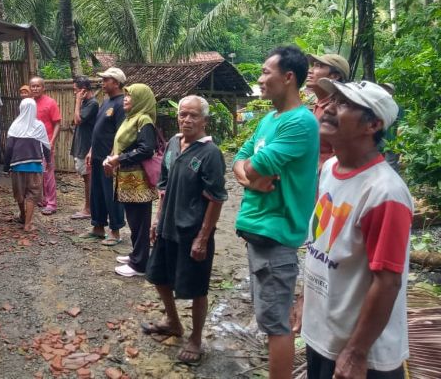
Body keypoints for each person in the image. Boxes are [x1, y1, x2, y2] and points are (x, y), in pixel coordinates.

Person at [294, 80, 411, 379]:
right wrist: (305, 298)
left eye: (344, 103)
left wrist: (357, 352)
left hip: (362, 356)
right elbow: (320, 245)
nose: (329, 108)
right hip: (324, 336)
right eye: (332, 99)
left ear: (372, 124)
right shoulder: (330, 168)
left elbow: (387, 282)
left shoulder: (385, 193)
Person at [233, 45, 319, 379]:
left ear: (288, 77)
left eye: (266, 72)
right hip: (259, 231)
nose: (260, 79)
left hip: (277, 232)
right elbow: (241, 159)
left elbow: (260, 163)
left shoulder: (300, 123)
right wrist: (249, 180)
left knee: (276, 324)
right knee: (269, 319)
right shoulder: (270, 119)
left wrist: (248, 172)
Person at [143, 95, 226, 365]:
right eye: (183, 114)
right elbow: (164, 186)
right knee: (159, 276)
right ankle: (173, 322)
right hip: (168, 225)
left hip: (192, 232)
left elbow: (216, 198)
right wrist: (157, 220)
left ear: (205, 119)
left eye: (194, 115)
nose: (187, 119)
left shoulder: (210, 153)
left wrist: (203, 237)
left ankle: (196, 339)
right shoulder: (172, 144)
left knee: (197, 287)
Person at [104, 83, 157, 277]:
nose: (126, 99)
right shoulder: (130, 118)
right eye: (125, 95)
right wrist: (112, 158)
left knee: (140, 222)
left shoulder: (143, 120)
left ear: (141, 100)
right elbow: (121, 146)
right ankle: (137, 254)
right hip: (127, 178)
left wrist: (120, 159)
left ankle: (140, 264)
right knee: (134, 221)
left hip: (138, 181)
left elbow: (147, 149)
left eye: (130, 96)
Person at [83, 67, 127, 246]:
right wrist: (91, 150)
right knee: (97, 193)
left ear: (116, 83)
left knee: (111, 194)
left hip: (110, 159)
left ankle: (115, 232)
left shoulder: (121, 104)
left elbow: (121, 133)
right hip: (97, 156)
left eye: (106, 79)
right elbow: (98, 130)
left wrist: (113, 157)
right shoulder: (106, 102)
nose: (103, 82)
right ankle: (98, 227)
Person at [4, 98, 51, 232]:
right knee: (32, 194)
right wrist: (49, 161)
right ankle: (28, 224)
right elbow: (46, 145)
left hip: (17, 166)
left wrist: (6, 166)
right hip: (35, 167)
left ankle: (23, 215)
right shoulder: (39, 125)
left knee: (20, 193)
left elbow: (8, 148)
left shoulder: (15, 125)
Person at [306, 53, 350, 168]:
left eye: (318, 66)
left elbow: (341, 156)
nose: (310, 70)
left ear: (334, 76)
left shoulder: (339, 111)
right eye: (313, 65)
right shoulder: (318, 105)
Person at [29, 76, 61, 215]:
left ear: (43, 88)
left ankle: (51, 203)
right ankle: (42, 199)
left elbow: (57, 124)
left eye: (38, 86)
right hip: (32, 144)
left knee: (48, 173)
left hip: (46, 143)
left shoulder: (50, 103)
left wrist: (52, 142)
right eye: (33, 86)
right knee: (36, 173)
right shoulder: (29, 104)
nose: (35, 88)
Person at [70, 76, 98, 220]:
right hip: (82, 145)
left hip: (87, 147)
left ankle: (89, 209)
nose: (75, 93)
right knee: (86, 178)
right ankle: (88, 207)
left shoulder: (92, 104)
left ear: (83, 90)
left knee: (88, 178)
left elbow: (77, 120)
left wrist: (77, 101)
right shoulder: (86, 103)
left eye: (76, 91)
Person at [379, 83, 404, 173]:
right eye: (383, 89)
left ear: (392, 93)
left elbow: (401, 126)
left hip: (392, 141)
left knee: (391, 167)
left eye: (388, 90)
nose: (385, 92)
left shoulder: (398, 107)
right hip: (377, 141)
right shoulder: (376, 106)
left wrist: (399, 144)